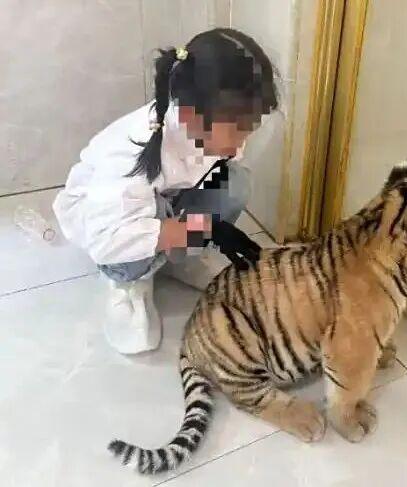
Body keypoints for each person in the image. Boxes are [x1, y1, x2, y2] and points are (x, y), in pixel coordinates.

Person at [53, 28, 278, 355]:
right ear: (191, 115)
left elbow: (211, 173)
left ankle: (177, 259)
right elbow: (107, 239)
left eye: (249, 129)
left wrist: (198, 230)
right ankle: (128, 282)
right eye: (238, 130)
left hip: (165, 202)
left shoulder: (208, 125)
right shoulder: (131, 153)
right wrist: (204, 228)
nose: (241, 142)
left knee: (234, 183)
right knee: (145, 224)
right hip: (111, 228)